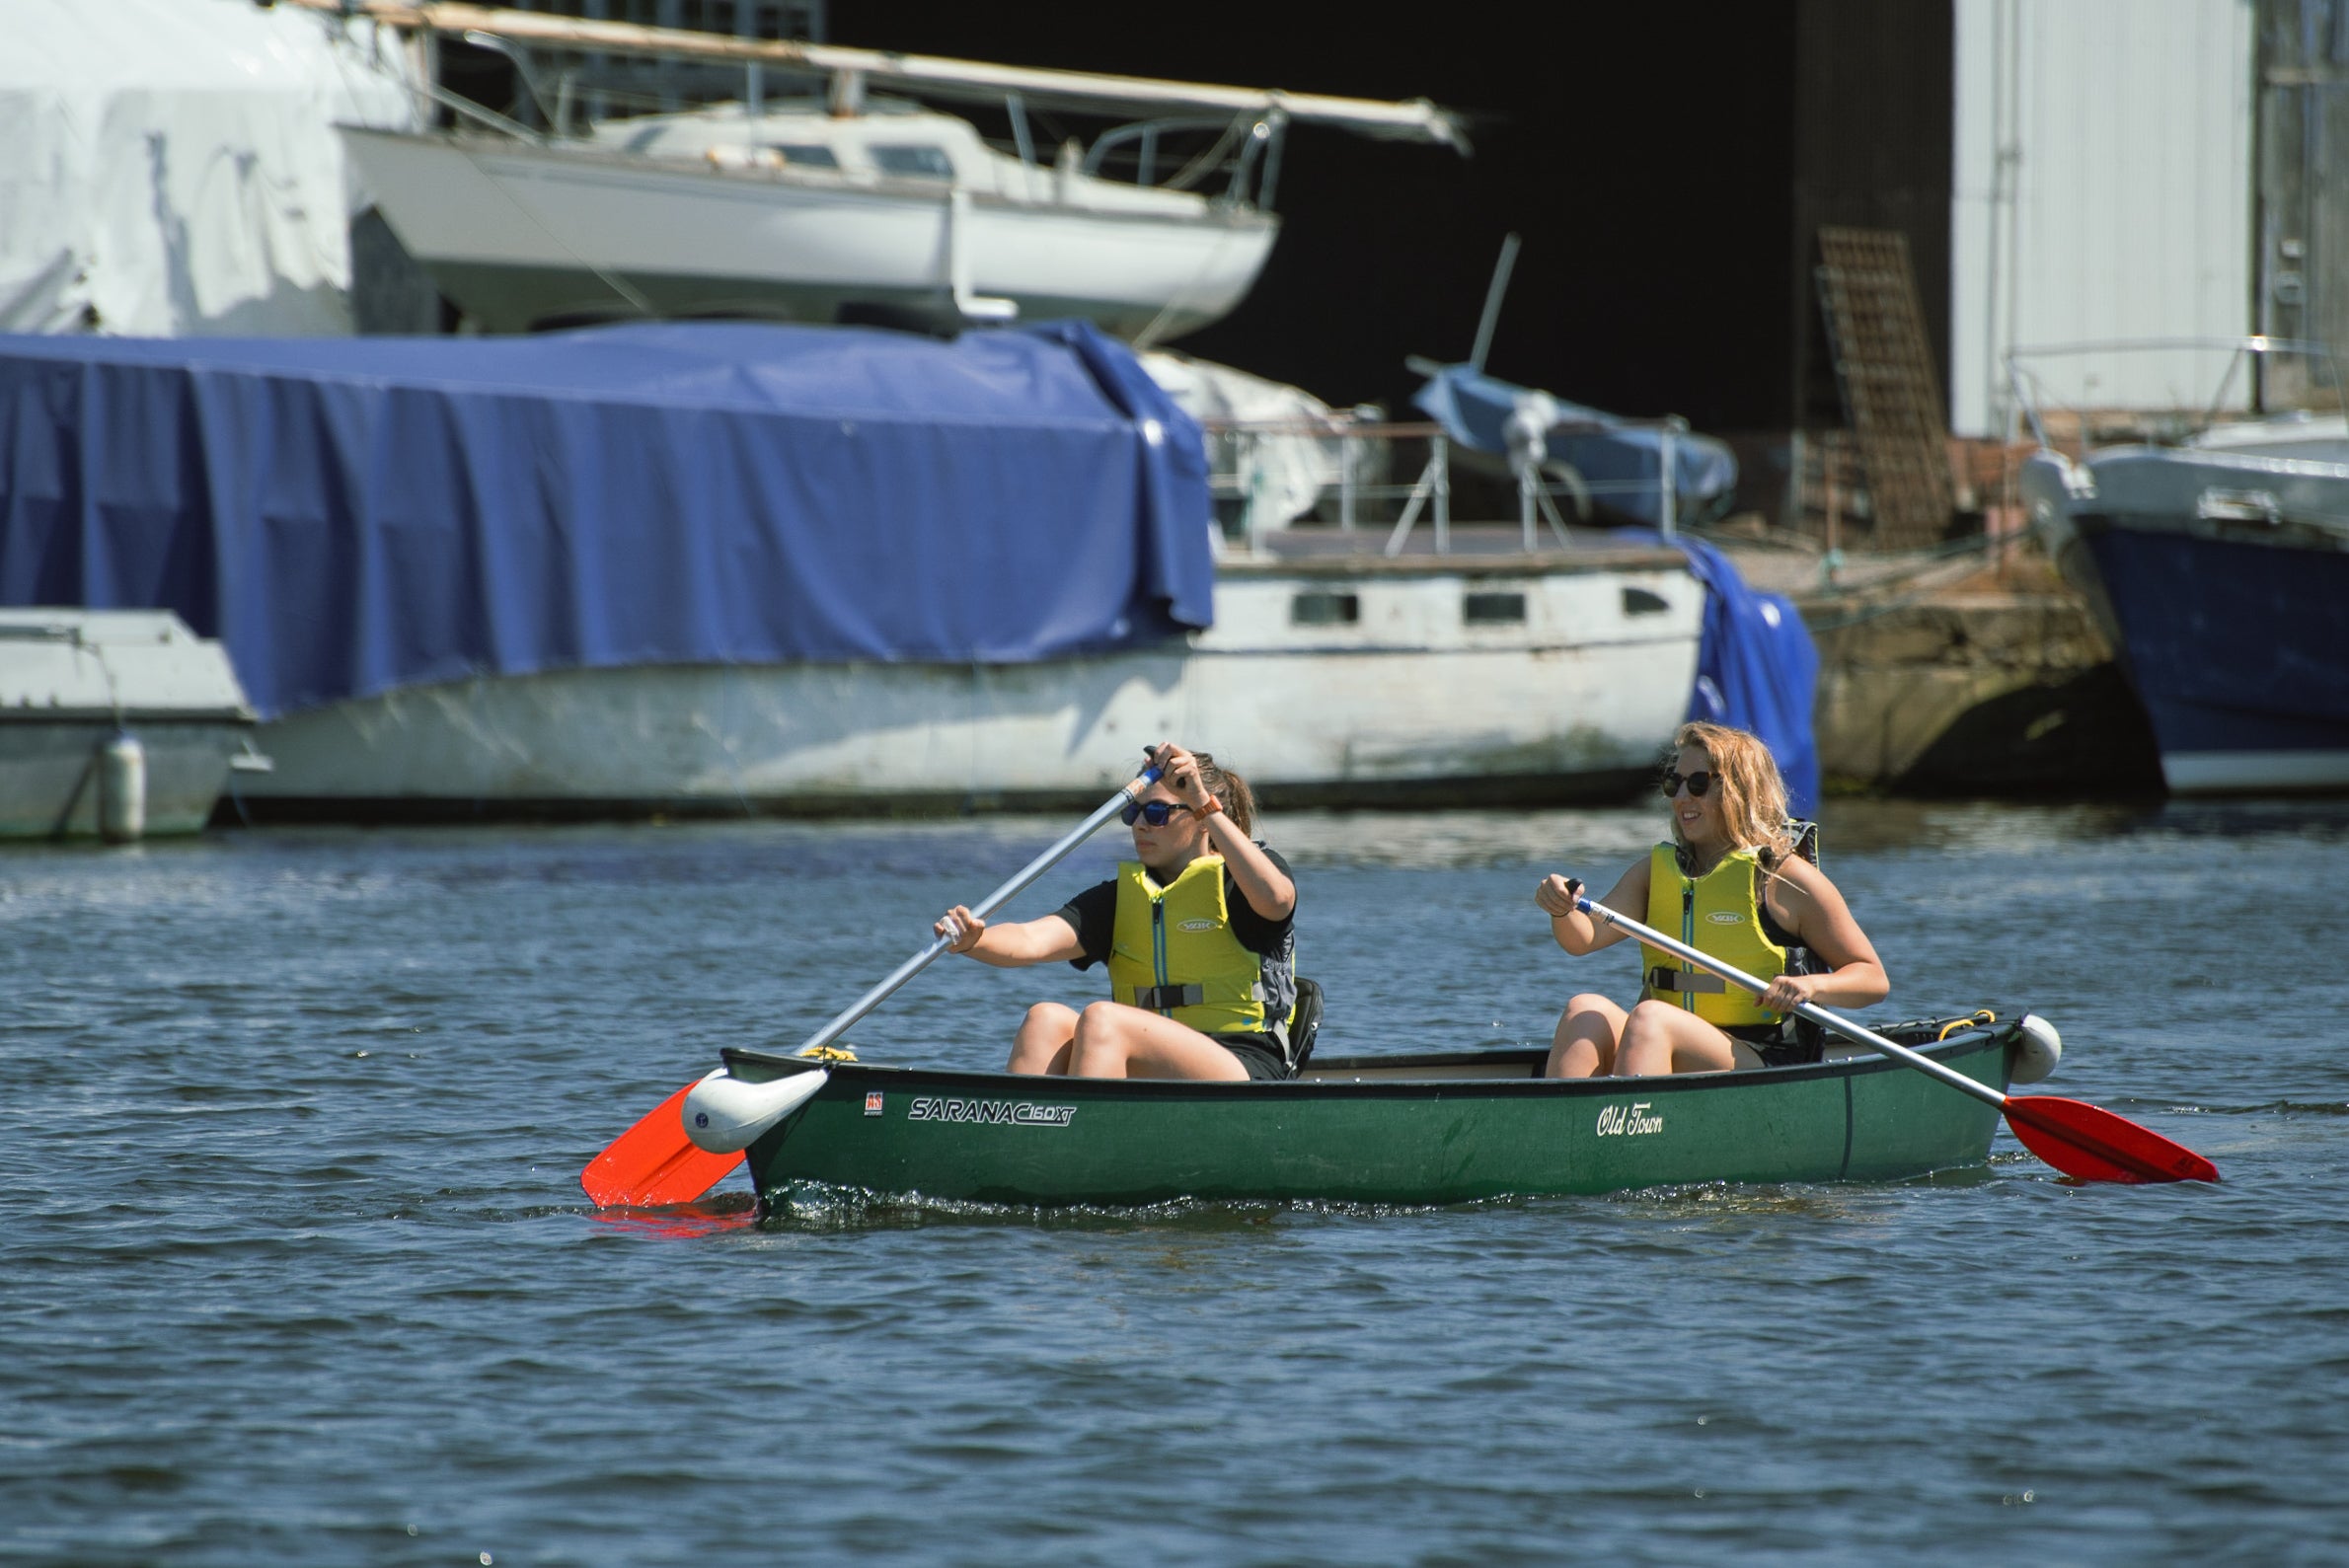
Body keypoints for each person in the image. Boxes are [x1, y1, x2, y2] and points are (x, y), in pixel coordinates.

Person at [1533, 720, 1887, 1078]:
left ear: (1741, 791)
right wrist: (1562, 907)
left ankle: (1636, 1128)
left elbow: (1872, 979)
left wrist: (1811, 985)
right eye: (1675, 784)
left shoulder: (1786, 879)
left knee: (1652, 1019)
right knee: (1585, 1009)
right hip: (1665, 1035)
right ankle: (1567, 1128)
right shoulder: (1653, 874)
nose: (1682, 797)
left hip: (1764, 1056)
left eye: (1699, 784)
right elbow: (1583, 939)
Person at [934, 742, 1301, 1081]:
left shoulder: (1246, 877)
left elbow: (1277, 901)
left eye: (1157, 812)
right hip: (1151, 1064)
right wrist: (973, 940)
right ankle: (1022, 1143)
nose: (1140, 824)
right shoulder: (1120, 899)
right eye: (1134, 812)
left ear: (1202, 818)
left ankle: (1089, 1142)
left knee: (1102, 1020)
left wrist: (1201, 799)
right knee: (1043, 1019)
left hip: (1243, 1061)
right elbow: (1031, 939)